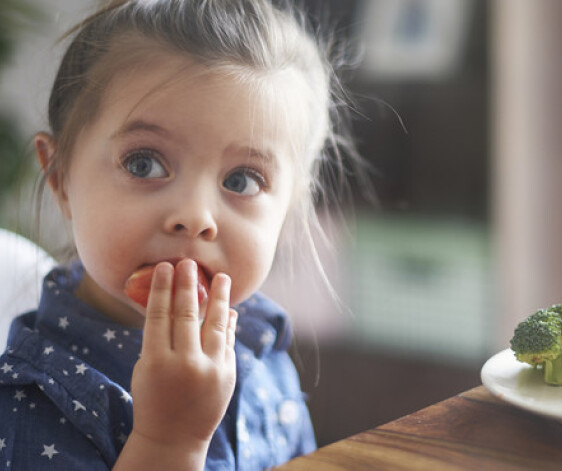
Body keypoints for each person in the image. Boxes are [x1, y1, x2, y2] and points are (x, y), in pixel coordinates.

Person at [0, 0, 360, 469]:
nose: (194, 217)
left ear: (291, 207)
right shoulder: (30, 402)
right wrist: (169, 442)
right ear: (61, 178)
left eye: (242, 181)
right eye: (144, 163)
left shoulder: (261, 344)